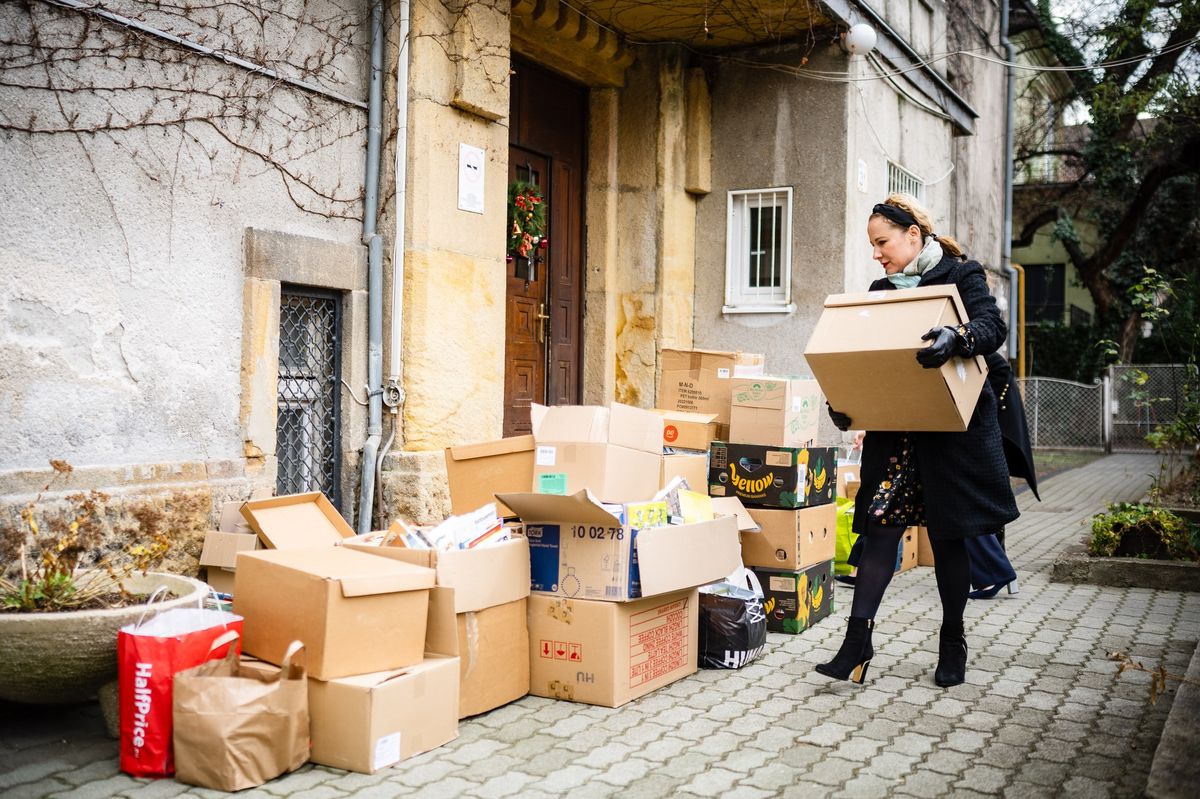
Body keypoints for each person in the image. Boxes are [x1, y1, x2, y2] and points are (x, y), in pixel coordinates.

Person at [816, 193, 1019, 687]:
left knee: (949, 539)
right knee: (880, 531)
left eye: (882, 242)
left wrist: (959, 337)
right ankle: (856, 644)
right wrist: (847, 401)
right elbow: (868, 357)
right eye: (872, 244)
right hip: (896, 435)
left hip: (952, 435)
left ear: (913, 235)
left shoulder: (960, 275)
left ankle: (953, 643)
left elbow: (994, 326)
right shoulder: (880, 288)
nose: (876, 253)